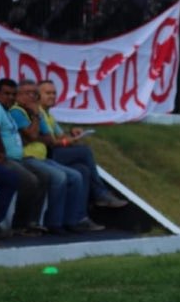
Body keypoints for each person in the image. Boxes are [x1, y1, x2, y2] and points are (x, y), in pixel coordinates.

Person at [10, 80, 103, 235]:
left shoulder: (41, 113)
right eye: (27, 93)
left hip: (42, 156)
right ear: (18, 95)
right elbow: (35, 136)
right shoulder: (18, 111)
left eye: (34, 93)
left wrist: (66, 134)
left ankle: (73, 220)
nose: (32, 96)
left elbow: (48, 138)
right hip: (27, 157)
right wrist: (36, 124)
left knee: (78, 174)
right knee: (63, 172)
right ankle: (52, 223)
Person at [39, 80, 129, 209]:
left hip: (53, 152)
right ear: (38, 95)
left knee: (83, 170)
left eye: (54, 93)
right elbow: (52, 142)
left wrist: (72, 133)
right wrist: (67, 141)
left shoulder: (48, 114)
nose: (52, 96)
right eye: (48, 93)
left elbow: (60, 135)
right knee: (84, 151)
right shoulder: (38, 113)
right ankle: (100, 193)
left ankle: (79, 218)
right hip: (46, 155)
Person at [0, 78, 47, 235]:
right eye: (6, 94)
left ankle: (28, 222)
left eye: (13, 94)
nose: (10, 97)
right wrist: (2, 151)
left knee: (43, 176)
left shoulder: (6, 111)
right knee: (28, 180)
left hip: (16, 158)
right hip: (5, 159)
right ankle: (19, 224)